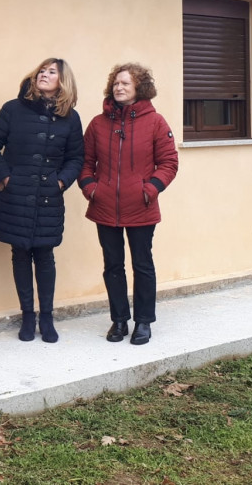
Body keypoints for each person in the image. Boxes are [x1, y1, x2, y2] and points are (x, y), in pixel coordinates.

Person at [0, 58, 84, 343]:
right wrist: (4, 176)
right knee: (20, 253)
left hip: (48, 198)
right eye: (42, 70)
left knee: (45, 255)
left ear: (63, 81)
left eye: (52, 72)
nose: (44, 74)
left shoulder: (71, 118)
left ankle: (47, 317)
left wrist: (61, 181)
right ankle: (28, 316)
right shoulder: (13, 109)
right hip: (15, 195)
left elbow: (77, 157)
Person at [78, 63, 179, 346]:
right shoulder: (98, 124)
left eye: (125, 83)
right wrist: (91, 188)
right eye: (116, 83)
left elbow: (169, 162)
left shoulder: (155, 122)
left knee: (142, 265)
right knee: (112, 266)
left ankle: (143, 321)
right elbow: (85, 163)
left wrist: (150, 189)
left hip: (142, 207)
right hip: (104, 206)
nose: (119, 88)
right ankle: (119, 320)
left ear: (139, 88)